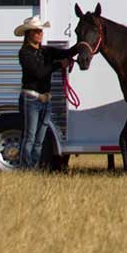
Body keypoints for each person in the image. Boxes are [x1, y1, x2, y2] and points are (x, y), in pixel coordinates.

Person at [15, 15, 78, 169]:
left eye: (40, 31)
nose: (40, 34)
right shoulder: (25, 53)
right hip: (31, 98)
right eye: (36, 31)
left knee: (40, 137)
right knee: (29, 136)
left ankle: (33, 165)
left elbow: (67, 52)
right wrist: (59, 65)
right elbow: (38, 73)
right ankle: (26, 167)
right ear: (29, 34)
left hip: (44, 99)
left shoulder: (45, 51)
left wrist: (81, 45)